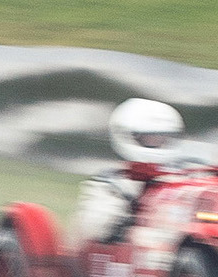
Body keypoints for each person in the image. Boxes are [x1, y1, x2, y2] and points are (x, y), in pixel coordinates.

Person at [75, 98, 186, 243]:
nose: (155, 141)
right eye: (148, 137)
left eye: (162, 137)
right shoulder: (111, 182)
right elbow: (90, 229)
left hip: (179, 246)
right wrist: (127, 210)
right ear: (128, 136)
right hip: (124, 249)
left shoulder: (179, 178)